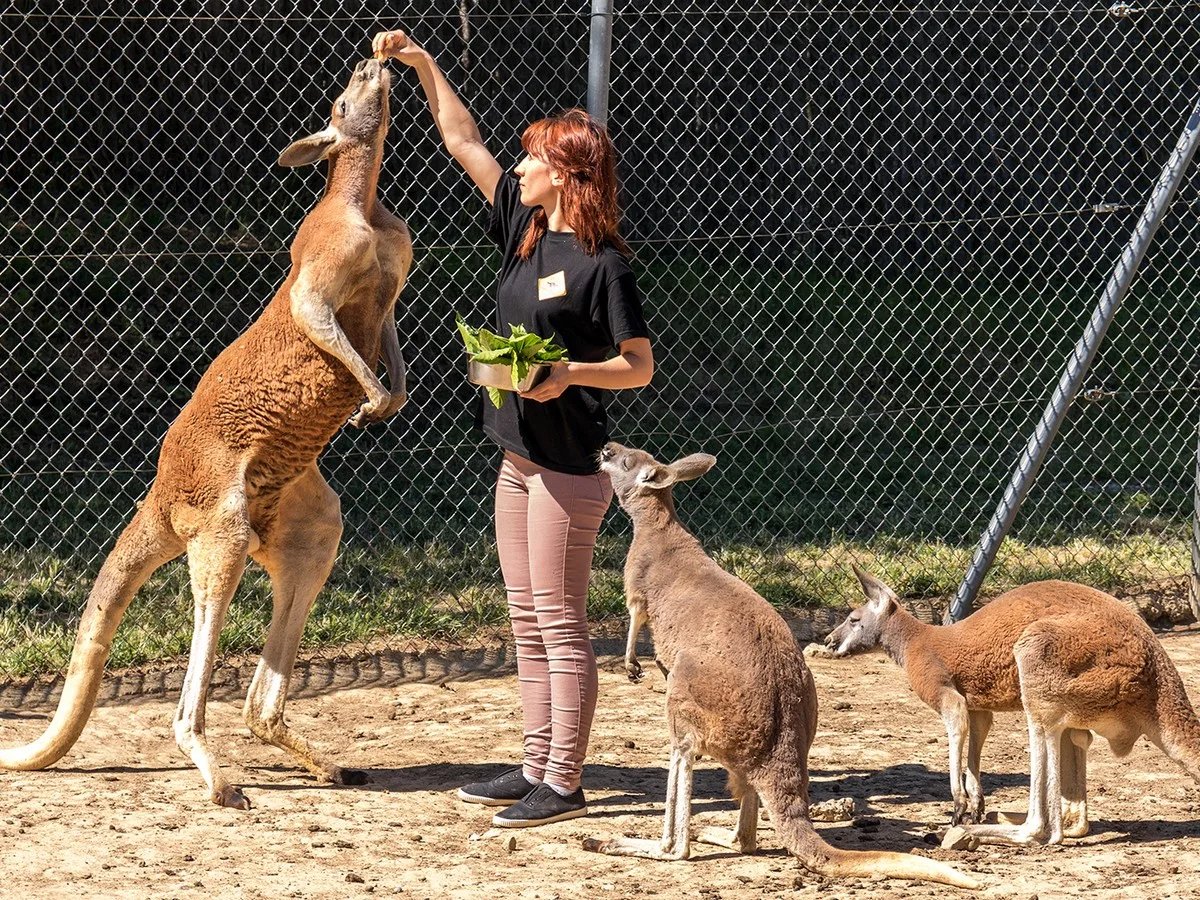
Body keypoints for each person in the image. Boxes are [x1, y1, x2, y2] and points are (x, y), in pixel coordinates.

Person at [372, 29, 654, 828]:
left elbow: (638, 366)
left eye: (533, 158)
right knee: (526, 614)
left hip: (567, 463)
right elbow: (461, 139)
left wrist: (567, 374)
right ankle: (535, 764)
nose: (519, 166)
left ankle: (565, 783)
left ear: (566, 174)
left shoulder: (605, 266)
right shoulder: (523, 228)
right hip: (516, 454)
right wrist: (423, 64)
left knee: (562, 621)